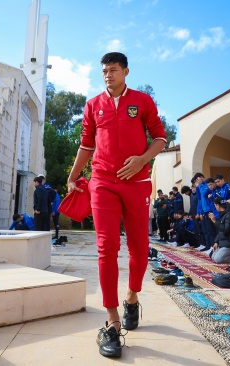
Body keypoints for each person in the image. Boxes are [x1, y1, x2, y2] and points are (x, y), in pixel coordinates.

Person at [65, 52, 167, 358]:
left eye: (113, 70)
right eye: (104, 71)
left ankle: (132, 297)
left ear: (126, 71)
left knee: (138, 248)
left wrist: (141, 160)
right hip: (103, 182)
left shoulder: (143, 101)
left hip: (137, 183)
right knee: (106, 247)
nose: (108, 75)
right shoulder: (93, 105)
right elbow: (86, 143)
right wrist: (72, 177)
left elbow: (160, 138)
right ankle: (111, 321)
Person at [208, 197, 230, 263]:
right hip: (225, 242)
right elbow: (220, 231)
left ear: (218, 205)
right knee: (212, 256)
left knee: (217, 259)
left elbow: (226, 230)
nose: (215, 207)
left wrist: (215, 221)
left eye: (215, 205)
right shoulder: (224, 214)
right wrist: (216, 242)